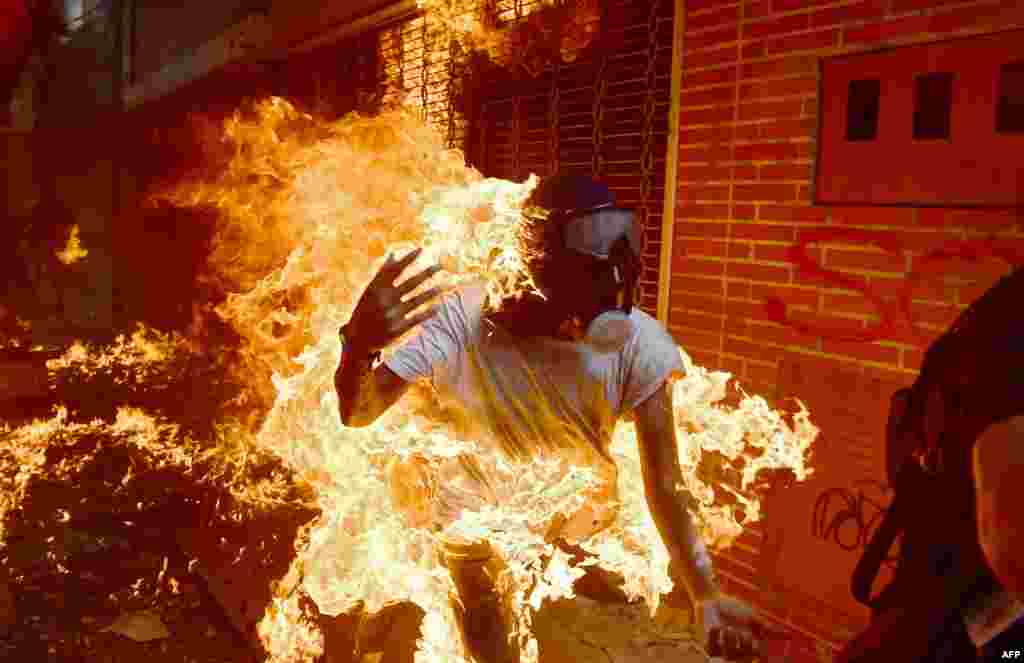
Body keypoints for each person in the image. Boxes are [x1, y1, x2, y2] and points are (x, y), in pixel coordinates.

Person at [335, 174, 765, 663]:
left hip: (565, 520)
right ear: (534, 267)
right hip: (469, 518)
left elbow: (665, 483)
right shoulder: (462, 319)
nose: (613, 274)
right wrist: (359, 346)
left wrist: (704, 592)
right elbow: (359, 413)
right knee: (487, 631)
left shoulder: (640, 344)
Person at [841, 264, 1024, 663]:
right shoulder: (1005, 324)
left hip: (943, 585)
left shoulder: (998, 311)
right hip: (957, 593)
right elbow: (1005, 531)